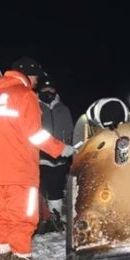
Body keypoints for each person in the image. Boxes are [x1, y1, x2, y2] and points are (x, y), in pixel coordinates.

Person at [0, 57, 74, 260]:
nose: (36, 82)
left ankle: (4, 257)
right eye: (35, 77)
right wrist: (61, 149)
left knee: (4, 215)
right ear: (26, 75)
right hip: (20, 170)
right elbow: (34, 134)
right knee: (24, 216)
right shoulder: (25, 95)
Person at [36, 72, 73, 234]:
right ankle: (40, 219)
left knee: (57, 190)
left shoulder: (62, 108)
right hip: (40, 157)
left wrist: (68, 149)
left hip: (59, 157)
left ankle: (55, 218)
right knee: (40, 191)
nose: (49, 92)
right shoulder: (34, 106)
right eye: (45, 88)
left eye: (51, 89)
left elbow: (70, 131)